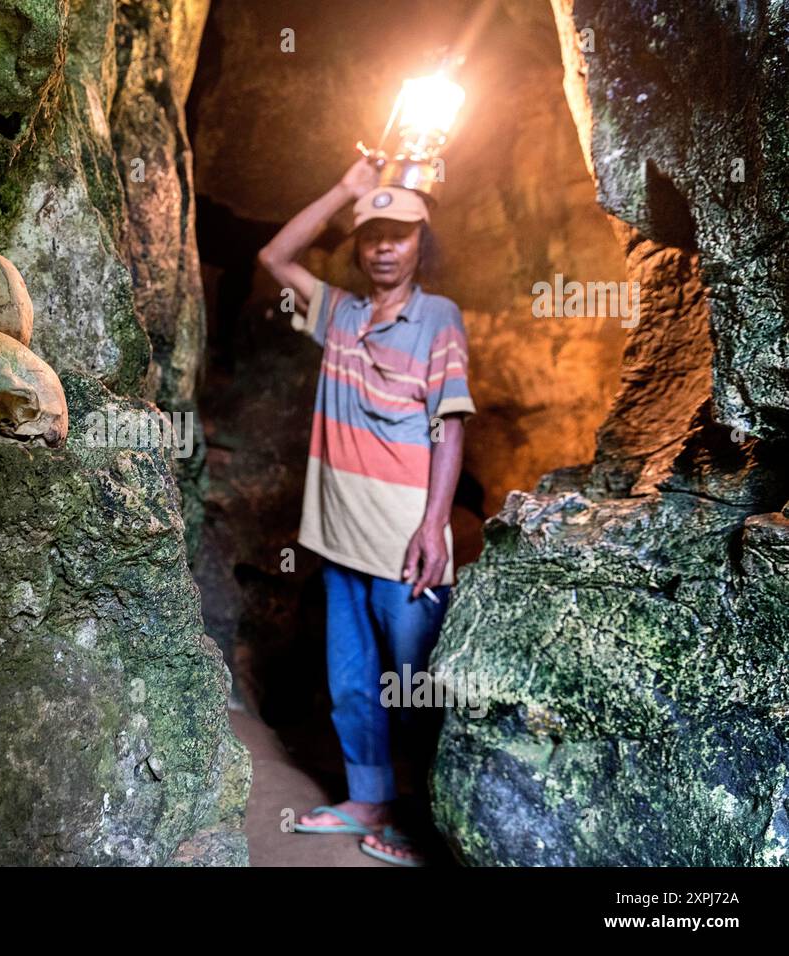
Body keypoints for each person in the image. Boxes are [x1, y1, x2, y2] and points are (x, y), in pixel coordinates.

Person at [257, 158, 475, 865]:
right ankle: (369, 799)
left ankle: (427, 820)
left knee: (414, 688)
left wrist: (434, 527)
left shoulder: (438, 318)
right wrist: (345, 190)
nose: (385, 247)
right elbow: (273, 255)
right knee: (352, 683)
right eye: (372, 233)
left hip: (406, 543)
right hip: (339, 541)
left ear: (421, 244)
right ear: (358, 244)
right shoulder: (340, 315)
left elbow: (451, 425)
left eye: (400, 235)